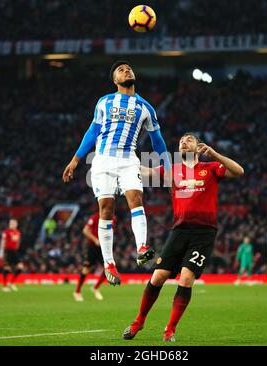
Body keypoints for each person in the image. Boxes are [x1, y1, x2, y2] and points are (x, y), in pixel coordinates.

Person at [123, 132, 244, 342]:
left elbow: (239, 171)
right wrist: (126, 160)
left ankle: (170, 329)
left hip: (203, 233)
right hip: (179, 231)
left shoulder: (210, 168)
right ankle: (139, 321)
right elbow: (145, 171)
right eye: (181, 141)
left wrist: (214, 154)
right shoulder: (172, 171)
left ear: (198, 147)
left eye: (189, 140)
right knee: (157, 277)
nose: (183, 143)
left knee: (186, 279)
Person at [62, 60, 171, 286]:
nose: (126, 70)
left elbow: (157, 141)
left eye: (129, 68)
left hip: (128, 159)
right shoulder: (104, 102)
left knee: (136, 198)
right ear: (115, 80)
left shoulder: (145, 108)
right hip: (102, 160)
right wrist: (75, 160)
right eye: (121, 70)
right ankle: (109, 262)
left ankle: (142, 247)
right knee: (106, 209)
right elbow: (92, 131)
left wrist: (168, 170)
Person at [74, 212, 116, 302]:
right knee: (86, 269)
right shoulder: (95, 217)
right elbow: (85, 230)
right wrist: (95, 240)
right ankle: (77, 292)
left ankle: (95, 288)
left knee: (109, 269)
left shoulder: (113, 219)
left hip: (104, 247)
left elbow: (111, 232)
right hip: (92, 246)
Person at [0, 219, 23, 292]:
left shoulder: (18, 232)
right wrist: (1, 252)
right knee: (7, 268)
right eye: (11, 223)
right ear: (9, 224)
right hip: (7, 251)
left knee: (20, 267)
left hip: (14, 252)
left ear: (16, 224)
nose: (12, 225)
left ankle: (12, 283)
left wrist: (16, 247)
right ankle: (4, 286)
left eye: (14, 223)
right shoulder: (6, 232)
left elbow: (18, 242)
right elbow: (3, 241)